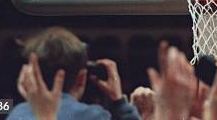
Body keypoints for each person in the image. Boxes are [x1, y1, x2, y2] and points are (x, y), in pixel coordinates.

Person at [8, 27, 139, 120]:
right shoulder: (94, 115)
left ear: (30, 77)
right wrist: (119, 101)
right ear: (82, 78)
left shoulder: (17, 114)